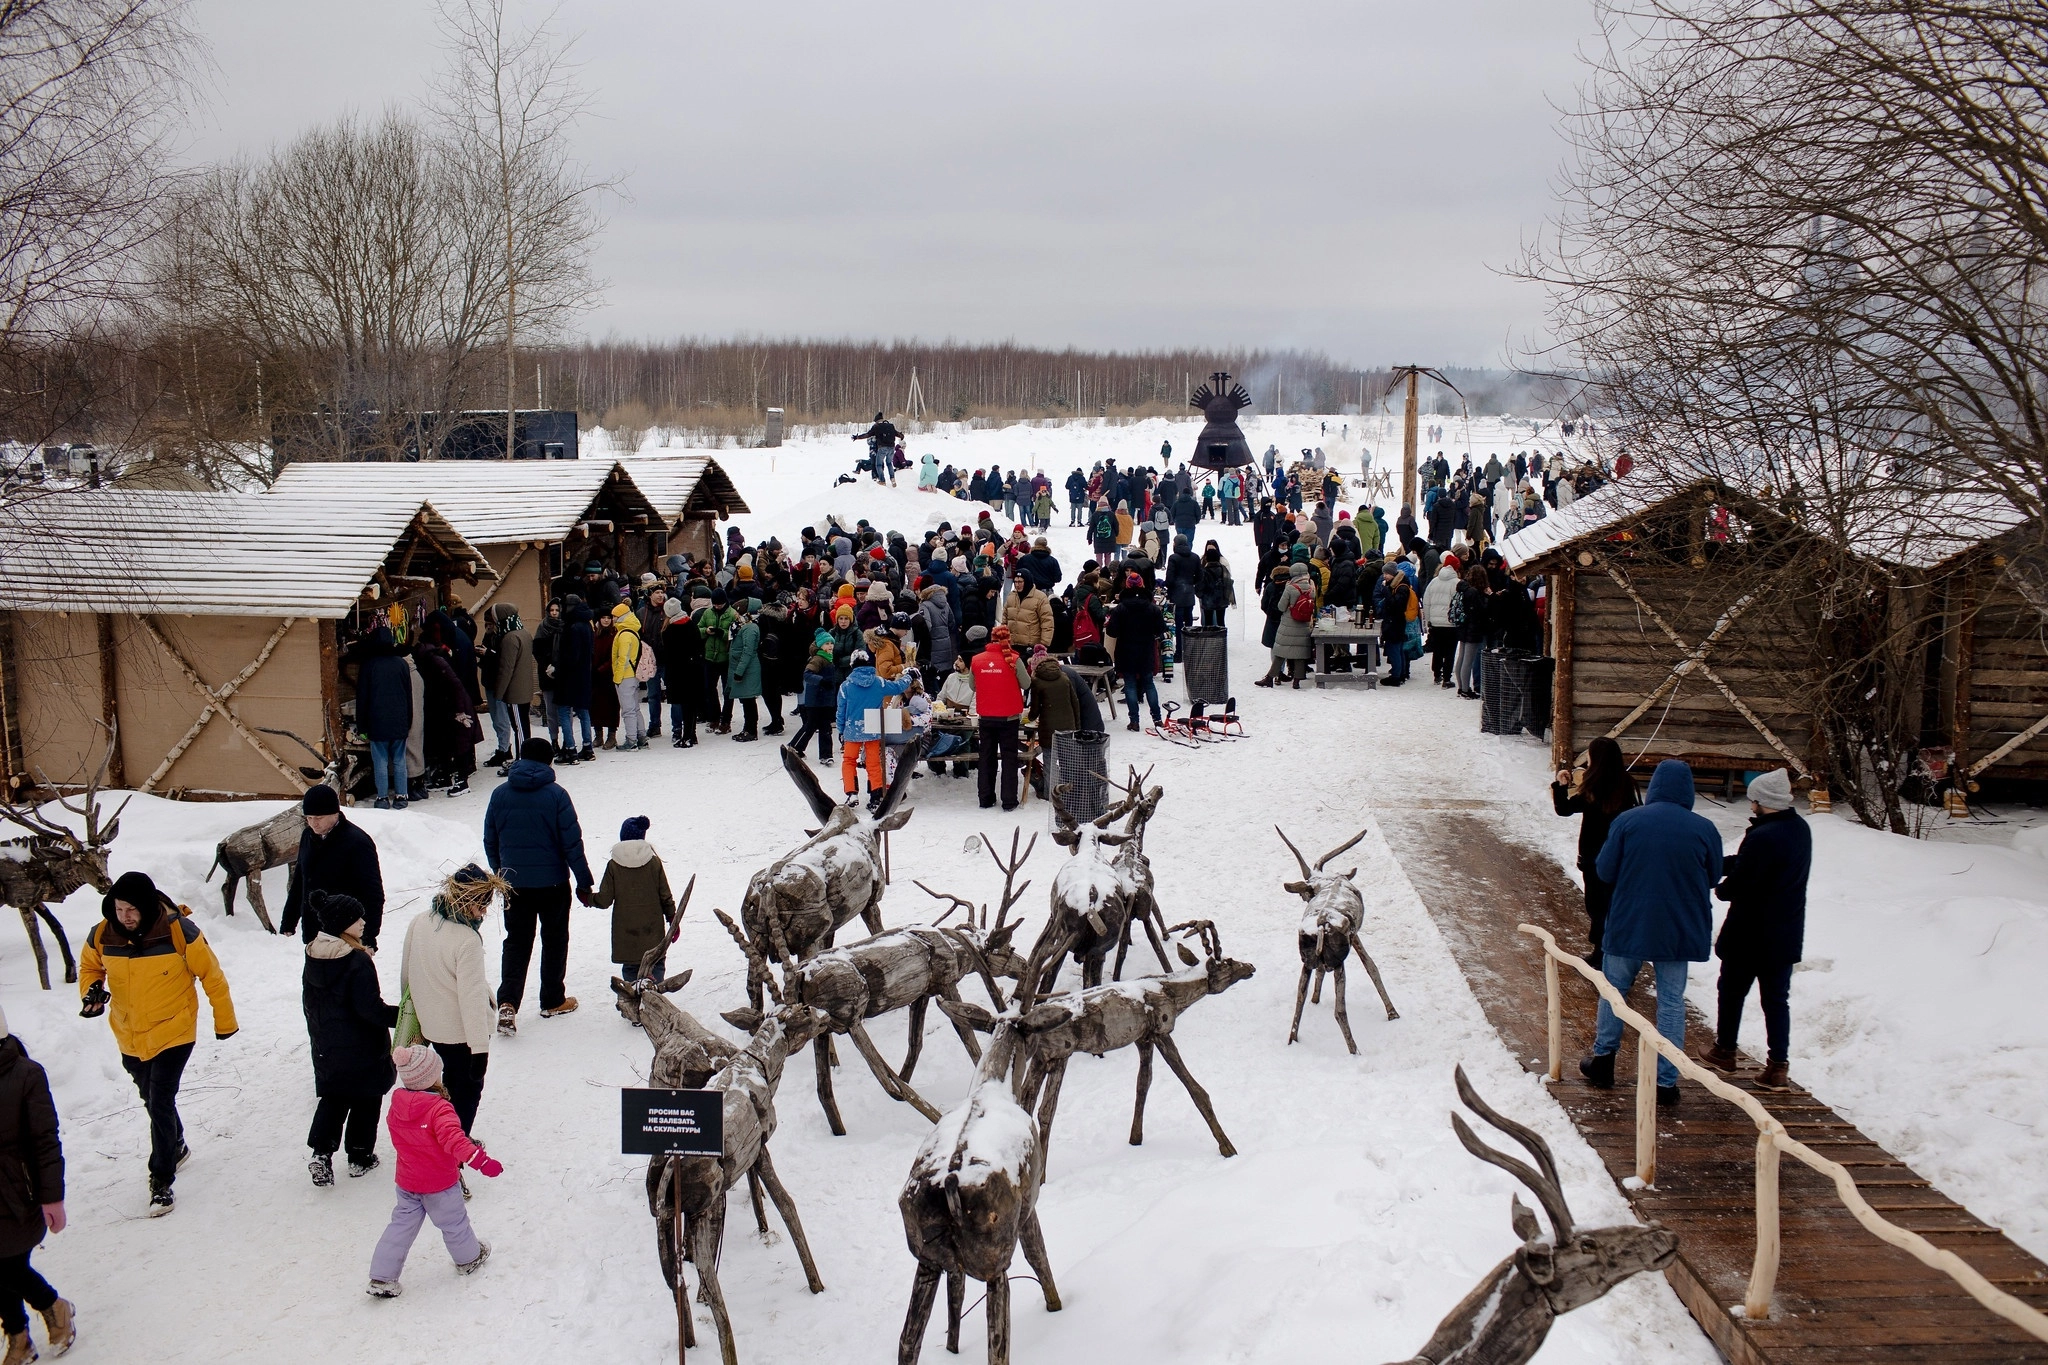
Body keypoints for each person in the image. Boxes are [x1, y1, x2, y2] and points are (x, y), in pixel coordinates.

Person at [77, 870, 238, 1216]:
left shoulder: (178, 930)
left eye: (132, 910)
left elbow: (212, 975)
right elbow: (90, 967)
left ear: (147, 906)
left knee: (160, 1098)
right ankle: (176, 1144)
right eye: (120, 910)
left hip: (174, 1030)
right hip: (129, 1034)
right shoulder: (103, 933)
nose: (126, 917)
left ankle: (161, 1181)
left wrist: (224, 1022)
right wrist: (91, 991)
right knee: (150, 1095)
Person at [1579, 760, 1723, 1106]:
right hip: (1678, 928)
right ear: (1687, 791)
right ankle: (1666, 1081)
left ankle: (1603, 1060)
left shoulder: (1628, 821)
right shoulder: (1704, 829)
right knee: (1671, 1003)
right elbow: (1714, 877)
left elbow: (1605, 869)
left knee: (1614, 991)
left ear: (1654, 786)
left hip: (1631, 921)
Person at [1700, 768, 1810, 1091]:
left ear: (1763, 801)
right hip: (1785, 931)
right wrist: (1718, 863)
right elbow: (1751, 862)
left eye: (1753, 801)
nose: (1751, 807)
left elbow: (1741, 881)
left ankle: (1725, 1050)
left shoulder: (1764, 835)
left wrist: (1719, 888)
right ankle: (1778, 1066)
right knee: (1776, 1000)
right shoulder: (1799, 829)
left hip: (1750, 934)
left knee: (1731, 991)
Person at [365, 1045, 500, 1297]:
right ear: (432, 1076)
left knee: (400, 1227)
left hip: (407, 1182)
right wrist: (482, 1162)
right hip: (440, 1184)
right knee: (453, 1223)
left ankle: (382, 1277)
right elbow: (456, 1141)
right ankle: (469, 1258)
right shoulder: (439, 1109)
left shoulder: (397, 1105)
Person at [482, 737, 595, 1029]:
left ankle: (508, 1002)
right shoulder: (556, 795)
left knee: (517, 943)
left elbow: (490, 839)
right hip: (553, 884)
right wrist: (584, 882)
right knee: (555, 940)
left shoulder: (499, 795)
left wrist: (500, 872)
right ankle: (552, 1000)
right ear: (549, 761)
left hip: (514, 885)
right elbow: (572, 843)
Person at [301, 890, 400, 1188]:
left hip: (327, 1044)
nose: (363, 922)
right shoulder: (356, 961)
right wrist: (405, 1015)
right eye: (357, 919)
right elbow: (370, 1009)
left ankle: (321, 1153)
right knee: (367, 1098)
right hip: (363, 1045)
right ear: (343, 924)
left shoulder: (313, 955)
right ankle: (360, 1157)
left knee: (334, 1096)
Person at [399, 865, 502, 1136]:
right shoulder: (467, 940)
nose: (484, 912)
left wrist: (412, 1014)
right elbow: (472, 999)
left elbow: (406, 974)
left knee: (445, 1086)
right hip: (462, 1034)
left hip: (432, 1026)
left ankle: (438, 1139)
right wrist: (480, 1050)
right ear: (467, 902)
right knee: (466, 1093)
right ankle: (454, 1149)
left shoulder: (420, 921)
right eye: (481, 906)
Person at [0, 1007, 71, 1361]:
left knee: (8, 1266)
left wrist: (52, 1198)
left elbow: (44, 1140)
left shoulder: (26, 1074)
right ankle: (19, 1336)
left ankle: (53, 1307)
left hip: (17, 1194)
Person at [1551, 738, 1639, 966]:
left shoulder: (1594, 785)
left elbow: (1565, 810)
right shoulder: (1626, 783)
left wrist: (1561, 785)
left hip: (1593, 856)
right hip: (1619, 855)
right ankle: (1610, 950)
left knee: (1596, 905)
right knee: (1611, 904)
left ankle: (1602, 953)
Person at [279, 783, 387, 949]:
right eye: (309, 818)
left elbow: (373, 895)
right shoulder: (308, 836)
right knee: (315, 975)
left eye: (319, 818)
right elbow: (301, 880)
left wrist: (368, 937)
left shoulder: (357, 842)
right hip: (314, 932)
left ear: (335, 813)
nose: (313, 823)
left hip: (345, 933)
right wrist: (289, 919)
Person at [591, 815, 678, 984]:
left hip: (626, 934)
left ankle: (635, 1000)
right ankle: (655, 998)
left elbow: (604, 900)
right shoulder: (654, 863)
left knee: (631, 969)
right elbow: (665, 896)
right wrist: (672, 918)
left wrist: (588, 898)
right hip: (652, 931)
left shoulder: (613, 865)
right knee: (656, 963)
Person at [837, 648, 910, 812]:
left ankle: (852, 793)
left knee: (849, 760)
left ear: (852, 665)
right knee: (873, 762)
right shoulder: (879, 682)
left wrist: (841, 730)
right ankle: (875, 796)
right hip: (873, 727)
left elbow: (841, 710)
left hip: (852, 729)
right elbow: (898, 687)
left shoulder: (846, 686)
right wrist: (909, 676)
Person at [970, 626, 1029, 809]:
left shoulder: (976, 660)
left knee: (986, 757)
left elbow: (973, 686)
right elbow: (1026, 683)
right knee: (1009, 758)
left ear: (991, 638)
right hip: (1009, 717)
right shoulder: (1014, 659)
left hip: (986, 716)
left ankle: (985, 799)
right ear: (1008, 639)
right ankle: (1009, 800)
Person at [354, 625, 414, 808]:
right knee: (399, 760)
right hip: (399, 721)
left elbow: (362, 698)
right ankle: (401, 796)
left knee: (379, 761)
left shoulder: (368, 666)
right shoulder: (402, 664)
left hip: (377, 722)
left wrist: (362, 726)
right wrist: (408, 720)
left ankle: (382, 798)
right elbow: (408, 695)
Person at [1104, 577, 1166, 730]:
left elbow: (1112, 632)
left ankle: (1134, 721)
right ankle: (1157, 719)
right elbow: (1161, 629)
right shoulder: (1152, 608)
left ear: (1126, 586)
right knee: (1149, 684)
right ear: (1142, 585)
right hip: (1146, 650)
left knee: (1130, 685)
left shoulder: (1120, 608)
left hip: (1126, 651)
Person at [482, 604, 535, 764]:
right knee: (524, 726)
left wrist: (499, 693)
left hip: (515, 692)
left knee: (518, 727)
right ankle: (526, 756)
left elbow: (506, 668)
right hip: (525, 688)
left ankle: (521, 760)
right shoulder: (524, 633)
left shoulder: (510, 638)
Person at [660, 597, 702, 748]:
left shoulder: (670, 630)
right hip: (693, 670)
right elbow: (698, 647)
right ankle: (692, 734)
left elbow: (668, 654)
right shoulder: (690, 624)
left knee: (685, 705)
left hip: (678, 672)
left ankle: (687, 736)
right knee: (691, 704)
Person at [608, 602, 648, 751]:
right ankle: (641, 736)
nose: (612, 619)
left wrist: (617, 678)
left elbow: (622, 659)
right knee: (635, 708)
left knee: (628, 710)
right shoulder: (632, 631)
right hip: (633, 675)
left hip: (625, 676)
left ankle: (631, 740)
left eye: (614, 616)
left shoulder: (623, 634)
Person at [727, 597, 765, 742]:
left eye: (737, 612)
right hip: (744, 669)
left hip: (748, 670)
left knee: (749, 701)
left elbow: (748, 652)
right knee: (745, 701)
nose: (735, 615)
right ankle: (747, 728)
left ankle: (751, 730)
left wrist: (739, 671)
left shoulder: (750, 628)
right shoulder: (744, 626)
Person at [1421, 561, 1460, 687]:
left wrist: (1429, 620)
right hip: (1451, 624)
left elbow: (1426, 601)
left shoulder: (1434, 582)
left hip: (1436, 623)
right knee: (1450, 651)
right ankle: (1447, 678)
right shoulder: (1457, 583)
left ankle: (1437, 674)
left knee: (1437, 649)